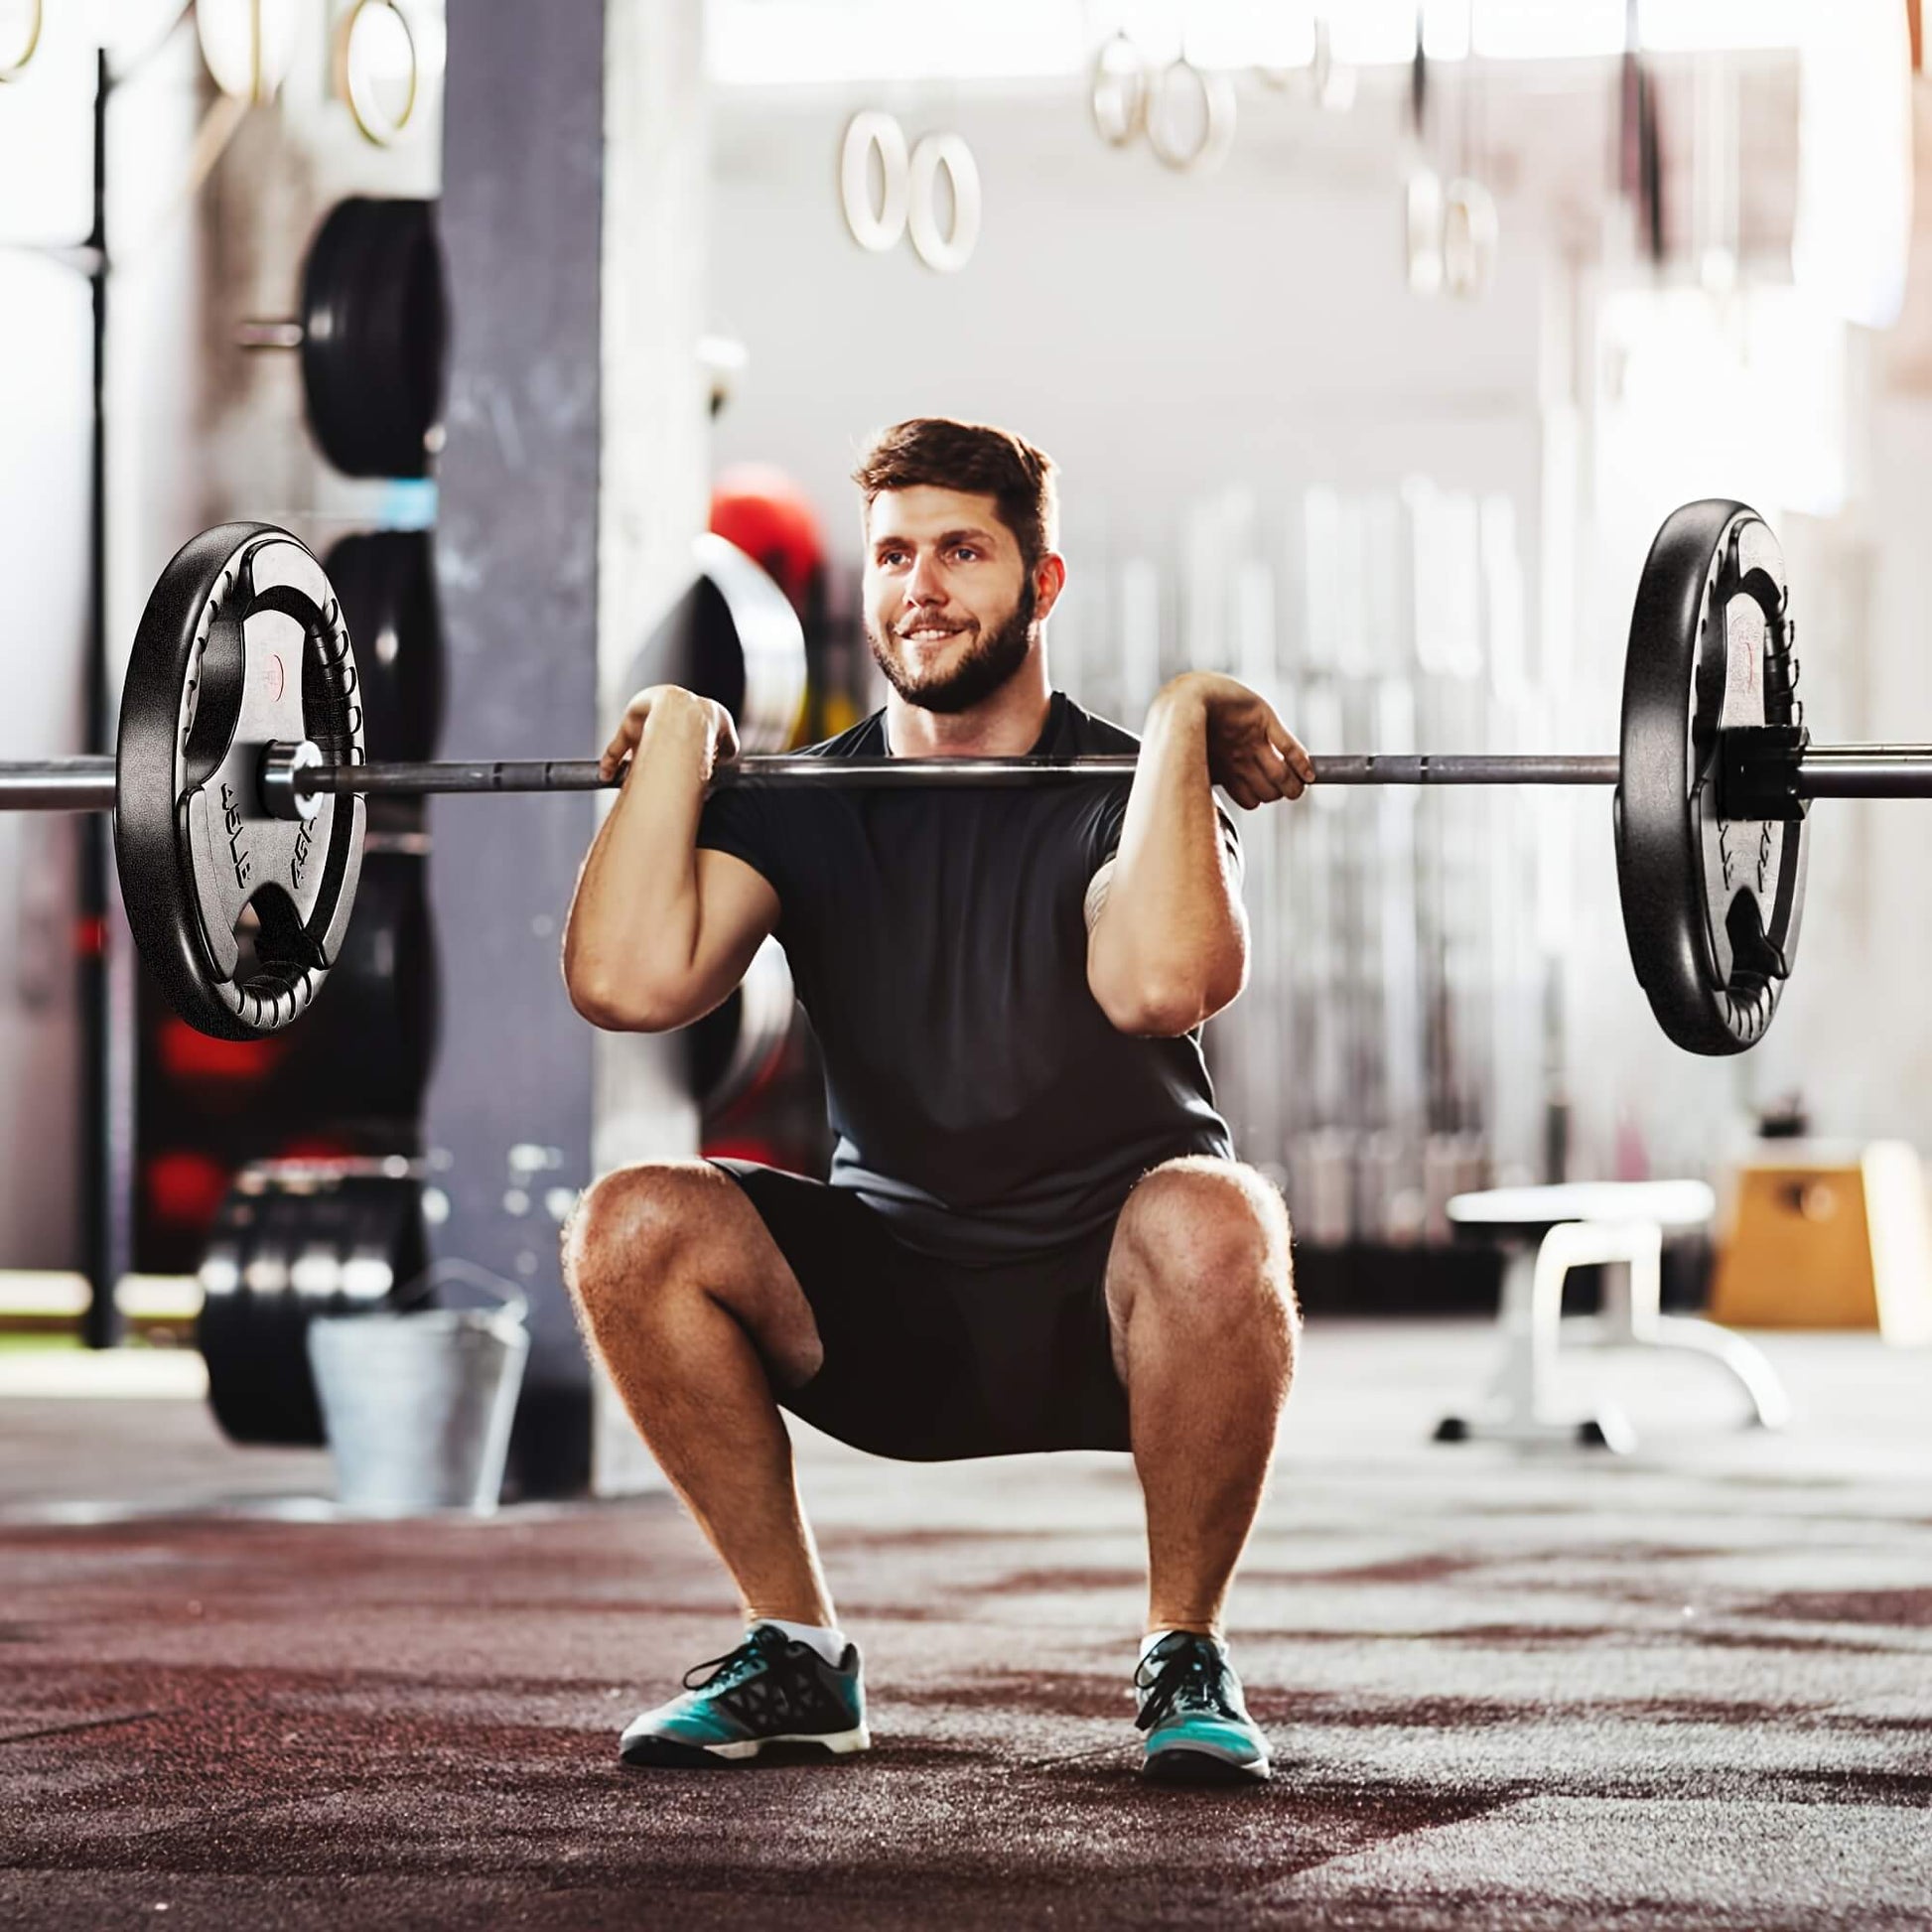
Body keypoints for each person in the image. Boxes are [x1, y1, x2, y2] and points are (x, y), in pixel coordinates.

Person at [561, 418, 1311, 1783]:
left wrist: (1180, 719)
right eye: (895, 553)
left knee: (1219, 1214)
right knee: (627, 1223)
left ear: (1041, 580)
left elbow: (1161, 983)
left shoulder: (1124, 791)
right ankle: (791, 1652)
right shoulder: (806, 802)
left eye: (963, 550)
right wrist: (676, 732)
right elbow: (625, 981)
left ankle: (1183, 1648)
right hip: (896, 1309)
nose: (921, 586)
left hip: (1123, 1317)